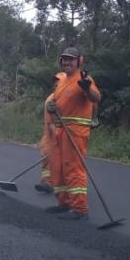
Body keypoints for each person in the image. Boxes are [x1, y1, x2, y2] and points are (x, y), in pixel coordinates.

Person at [45, 47, 101, 220]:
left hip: (75, 131)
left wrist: (87, 89)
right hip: (60, 129)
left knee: (73, 168)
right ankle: (64, 203)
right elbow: (56, 103)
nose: (67, 62)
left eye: (71, 59)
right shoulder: (62, 81)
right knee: (58, 167)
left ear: (79, 61)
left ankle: (80, 208)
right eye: (64, 59)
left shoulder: (84, 78)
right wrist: (51, 107)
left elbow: (96, 98)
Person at [35, 73, 66, 194]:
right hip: (51, 136)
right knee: (48, 158)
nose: (56, 85)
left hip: (64, 135)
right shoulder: (51, 100)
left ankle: (57, 183)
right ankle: (46, 182)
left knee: (62, 162)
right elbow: (50, 124)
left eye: (59, 83)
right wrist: (60, 138)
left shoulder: (68, 100)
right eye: (56, 83)